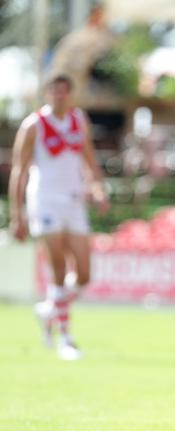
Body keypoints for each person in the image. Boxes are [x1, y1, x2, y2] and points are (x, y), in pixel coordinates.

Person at [9, 74, 109, 360]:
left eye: (64, 92)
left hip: (74, 200)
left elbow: (89, 159)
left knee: (84, 273)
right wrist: (19, 215)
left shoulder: (79, 121)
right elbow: (20, 169)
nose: (59, 96)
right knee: (59, 266)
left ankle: (50, 308)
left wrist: (98, 188)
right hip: (44, 201)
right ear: (47, 94)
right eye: (54, 92)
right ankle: (65, 338)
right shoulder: (33, 125)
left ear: (70, 94)